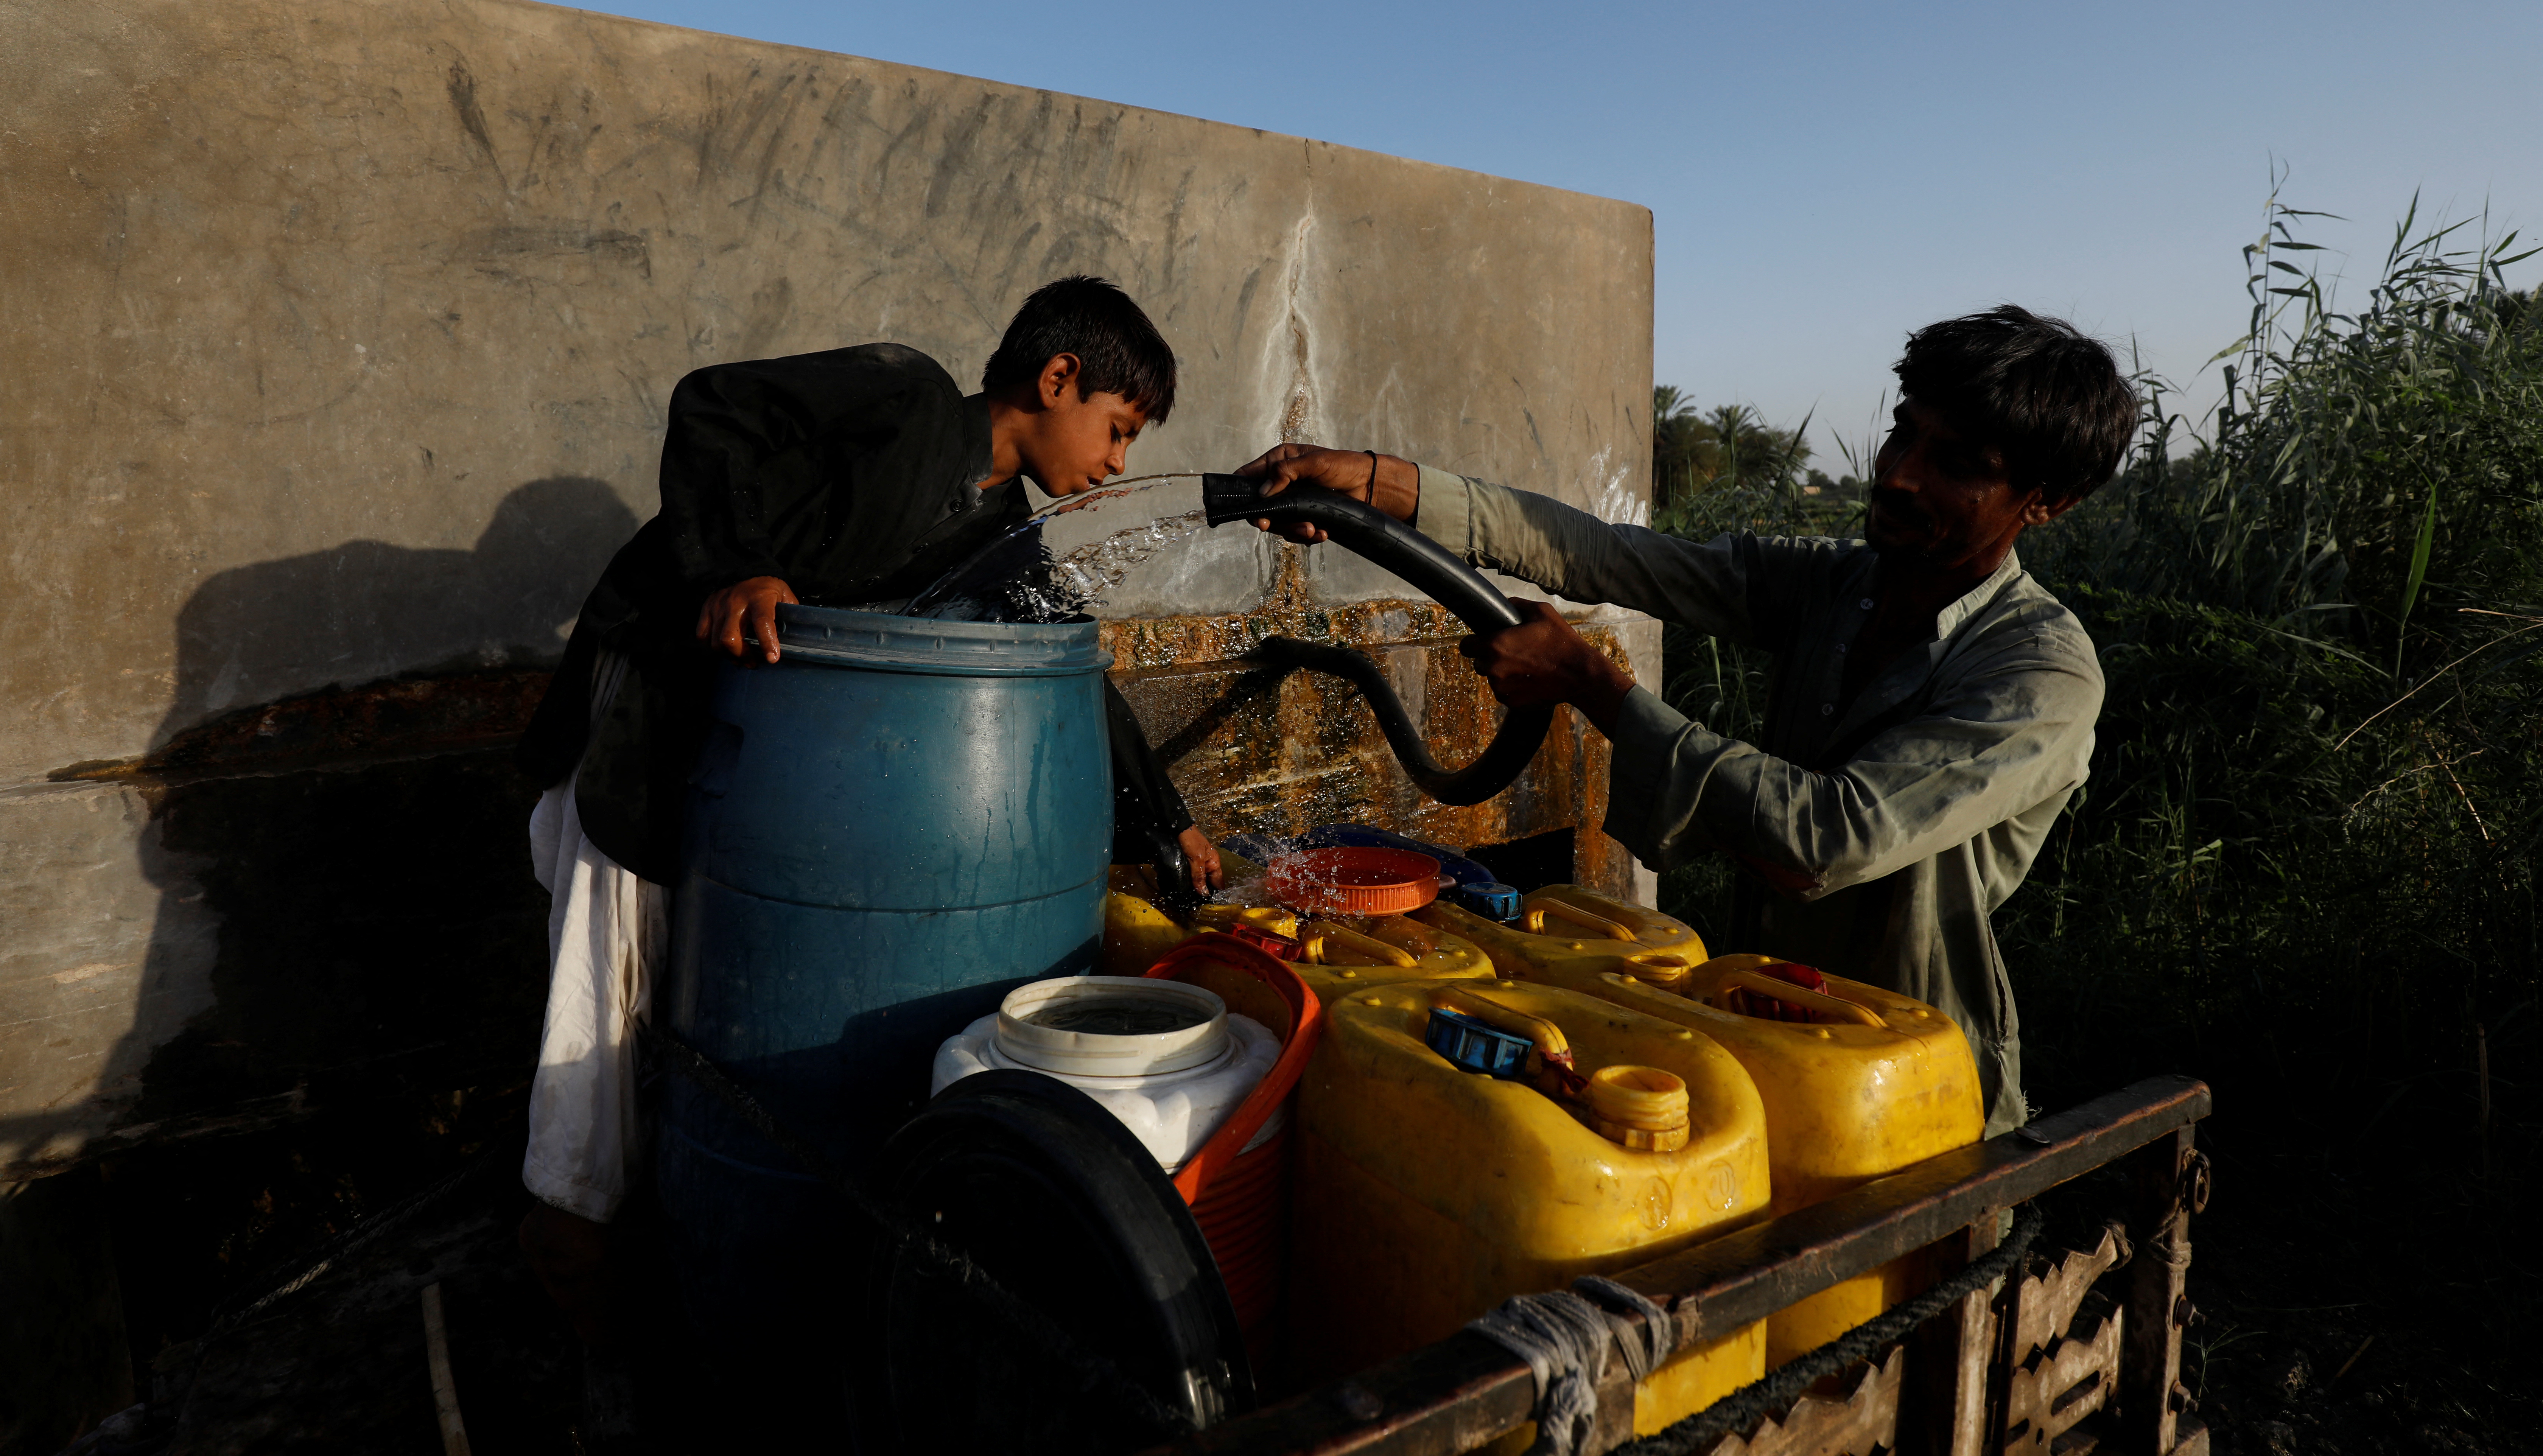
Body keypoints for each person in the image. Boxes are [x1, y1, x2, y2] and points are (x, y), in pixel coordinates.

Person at [509, 275, 1224, 1357]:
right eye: (1117, 431)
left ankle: (656, 1260)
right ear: (1058, 377)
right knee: (601, 1026)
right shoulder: (903, 397)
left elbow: (1072, 675)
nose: (1117, 464)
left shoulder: (994, 534)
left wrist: (1166, 820)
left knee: (687, 1037)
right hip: (649, 723)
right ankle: (574, 1281)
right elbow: (714, 404)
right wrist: (739, 568)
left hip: (753, 775)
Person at [1237, 307, 2136, 1134]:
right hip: (1756, 1023)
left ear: (2045, 500)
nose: (1899, 474)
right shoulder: (1838, 585)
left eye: (1956, 464)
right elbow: (1613, 555)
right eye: (1905, 430)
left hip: (1914, 1078)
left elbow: (1821, 838)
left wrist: (1592, 682)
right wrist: (1383, 486)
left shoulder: (2038, 670)